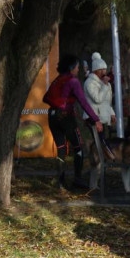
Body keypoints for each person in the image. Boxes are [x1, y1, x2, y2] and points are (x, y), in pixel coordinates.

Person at [43, 54, 102, 189]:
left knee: (61, 148)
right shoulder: (73, 81)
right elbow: (84, 102)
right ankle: (78, 179)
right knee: (78, 147)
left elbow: (46, 97)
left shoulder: (58, 80)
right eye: (77, 67)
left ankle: (61, 182)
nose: (78, 69)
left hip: (52, 116)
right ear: (71, 67)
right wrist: (96, 119)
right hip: (66, 117)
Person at [84, 52, 115, 132]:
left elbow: (107, 101)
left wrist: (112, 113)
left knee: (103, 142)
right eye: (101, 70)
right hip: (93, 117)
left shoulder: (105, 83)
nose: (104, 72)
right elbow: (97, 99)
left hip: (102, 116)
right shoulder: (90, 83)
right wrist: (105, 86)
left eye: (105, 69)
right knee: (100, 141)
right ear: (95, 71)